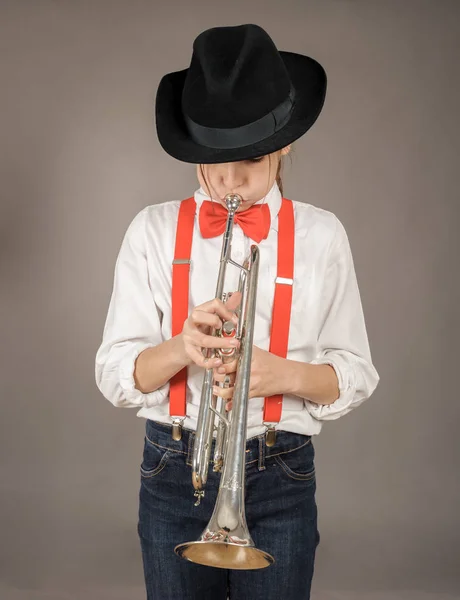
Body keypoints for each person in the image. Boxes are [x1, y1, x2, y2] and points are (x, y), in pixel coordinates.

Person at [95, 23, 380, 600]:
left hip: (282, 473)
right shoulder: (151, 231)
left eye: (248, 159)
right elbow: (113, 375)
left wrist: (281, 375)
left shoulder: (323, 236)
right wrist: (181, 348)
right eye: (211, 161)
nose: (230, 181)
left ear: (285, 144)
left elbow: (355, 374)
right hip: (173, 471)